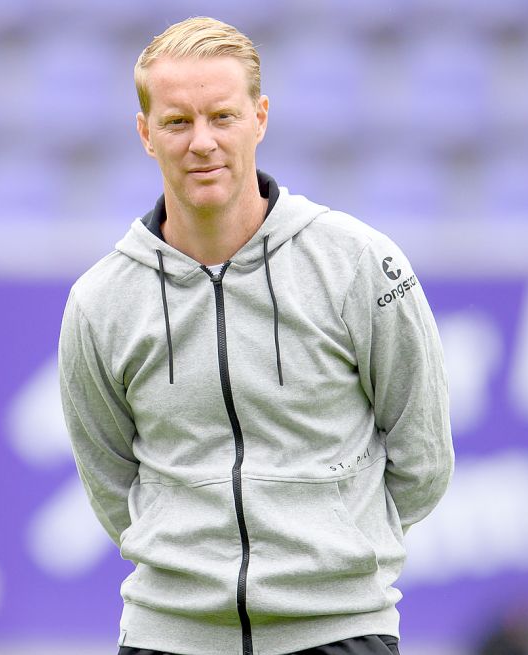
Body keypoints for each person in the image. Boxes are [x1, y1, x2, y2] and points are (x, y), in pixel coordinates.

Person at [58, 16, 454, 655]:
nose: (202, 143)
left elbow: (424, 458)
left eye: (223, 117)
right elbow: (111, 485)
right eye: (177, 122)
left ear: (260, 118)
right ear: (145, 134)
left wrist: (329, 552)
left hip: (340, 634)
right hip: (169, 637)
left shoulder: (358, 263)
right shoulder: (100, 301)